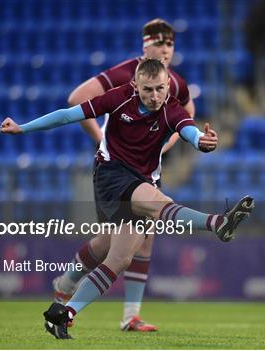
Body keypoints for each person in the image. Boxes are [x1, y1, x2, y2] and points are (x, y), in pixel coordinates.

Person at [0, 59, 254, 339]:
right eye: (148, 90)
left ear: (168, 86)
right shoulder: (119, 98)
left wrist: (201, 142)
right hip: (111, 174)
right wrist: (23, 128)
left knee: (119, 258)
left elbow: (189, 131)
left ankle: (64, 313)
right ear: (136, 85)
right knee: (158, 201)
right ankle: (217, 223)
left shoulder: (171, 110)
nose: (155, 95)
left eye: (160, 89)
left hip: (142, 180)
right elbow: (67, 115)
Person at [54, 18, 195, 333]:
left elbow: (188, 111)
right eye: (158, 42)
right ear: (145, 45)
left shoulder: (173, 81)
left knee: (131, 242)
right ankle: (70, 285)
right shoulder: (126, 73)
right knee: (119, 244)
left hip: (146, 169)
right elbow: (77, 99)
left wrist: (168, 142)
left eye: (170, 43)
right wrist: (101, 139)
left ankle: (126, 313)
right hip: (118, 171)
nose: (164, 48)